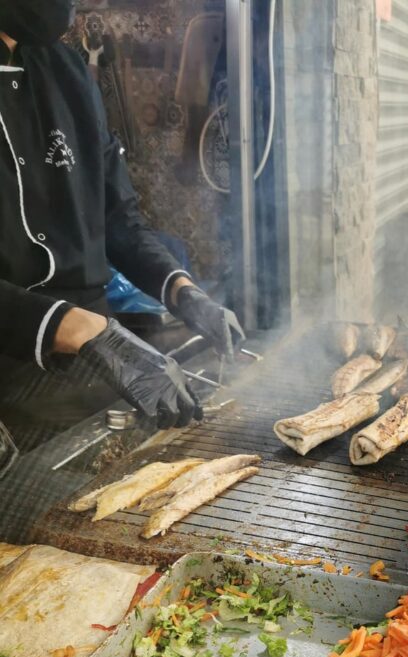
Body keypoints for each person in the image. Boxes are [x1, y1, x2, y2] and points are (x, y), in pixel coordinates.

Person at [0, 0, 245, 447]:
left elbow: (118, 219)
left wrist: (181, 290)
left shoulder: (69, 73)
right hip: (12, 370)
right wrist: (84, 331)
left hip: (95, 361)